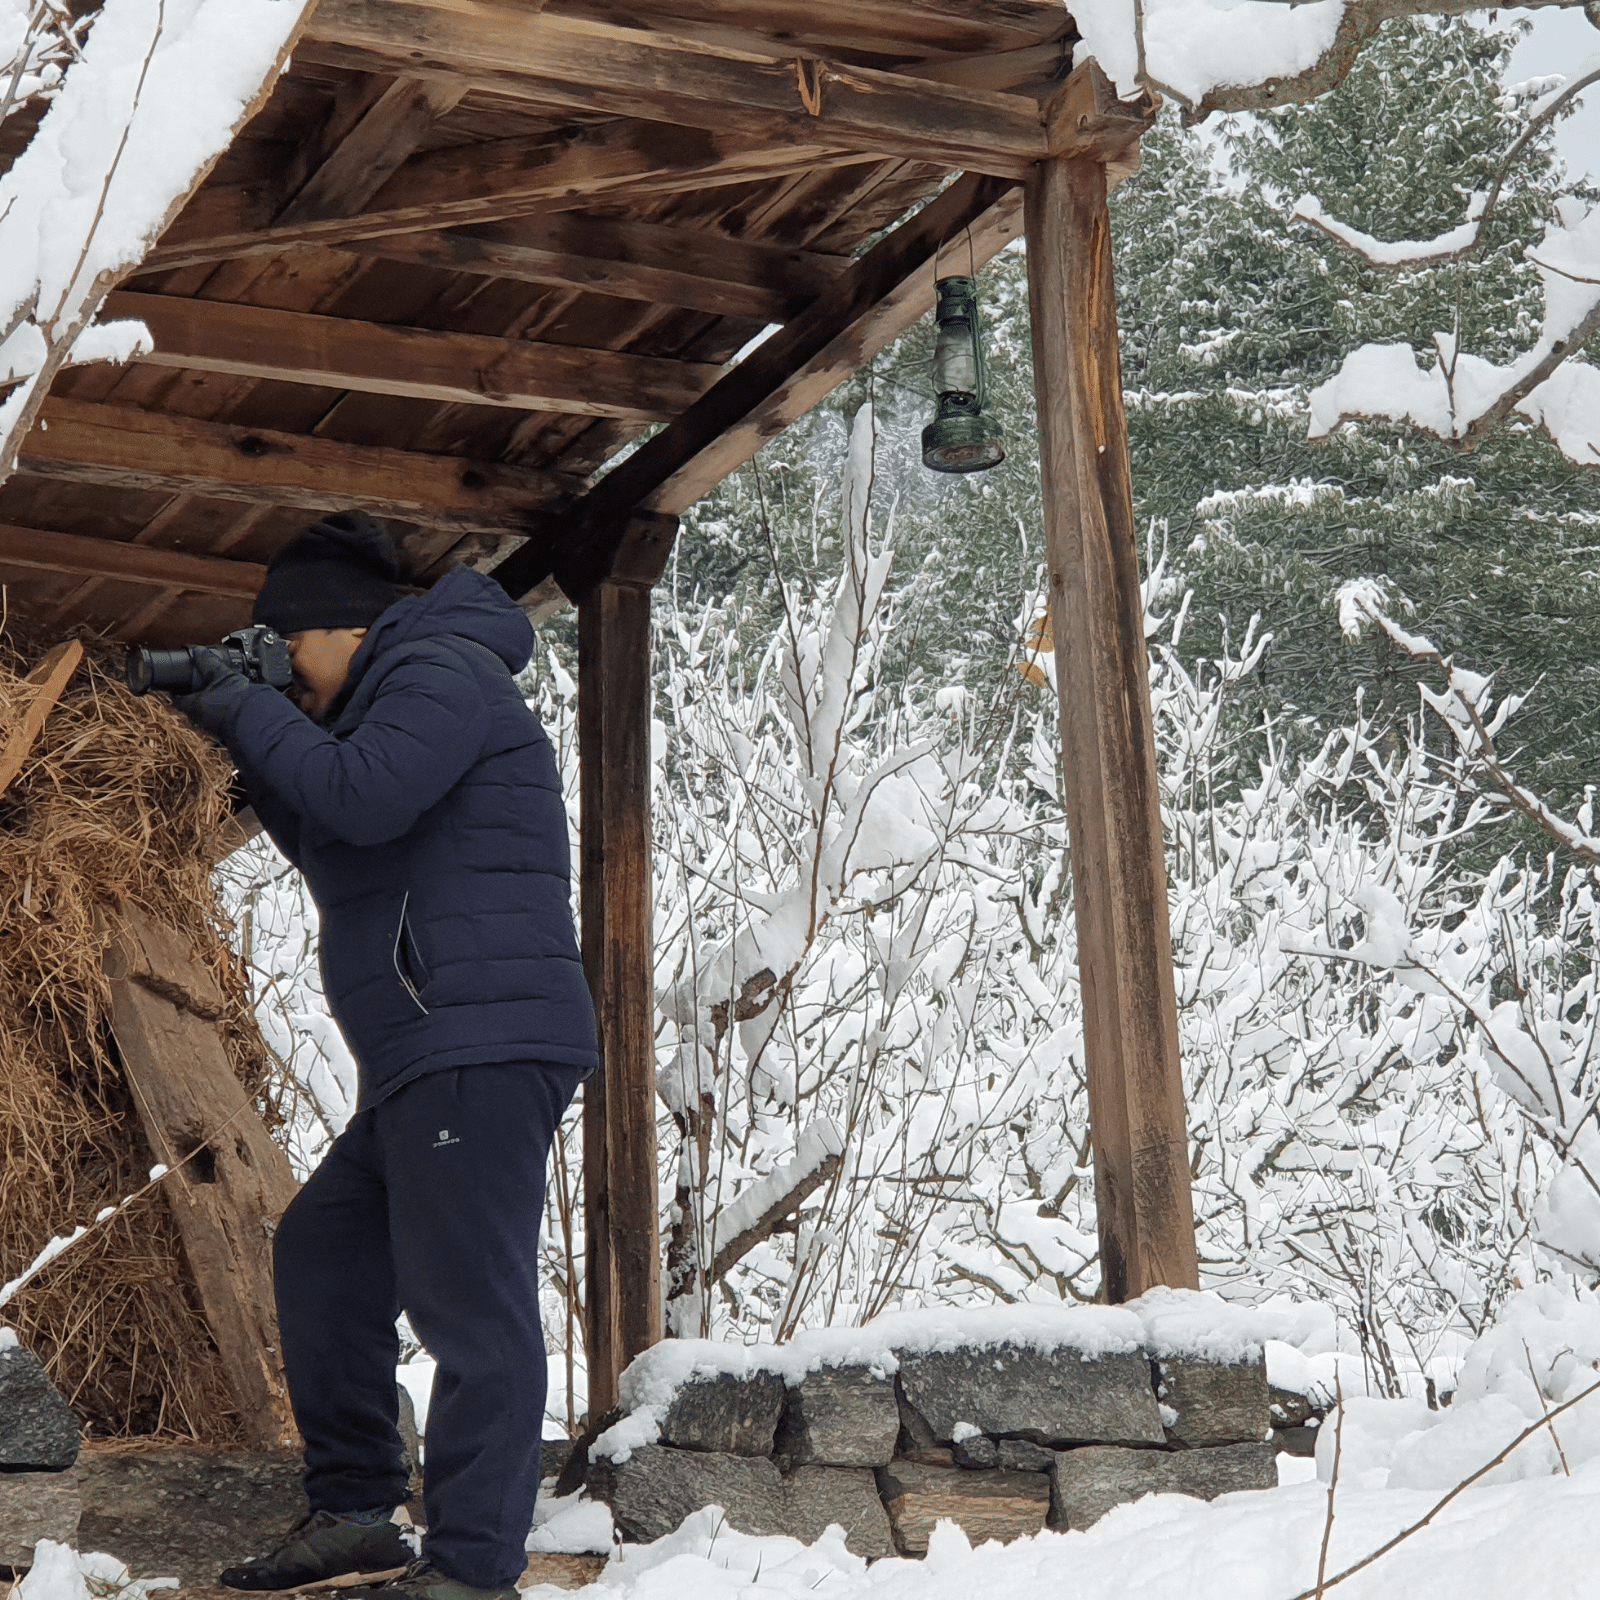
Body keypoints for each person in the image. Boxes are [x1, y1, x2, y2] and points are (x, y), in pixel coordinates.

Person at [172, 512, 596, 1600]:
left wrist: (250, 705)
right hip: (427, 1049)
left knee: (470, 1306)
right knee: (324, 1257)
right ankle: (359, 1510)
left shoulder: (439, 667)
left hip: (479, 1039)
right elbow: (333, 832)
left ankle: (470, 1570)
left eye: (284, 646)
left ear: (338, 627)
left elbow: (362, 797)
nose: (282, 668)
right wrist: (238, 726)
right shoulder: (388, 702)